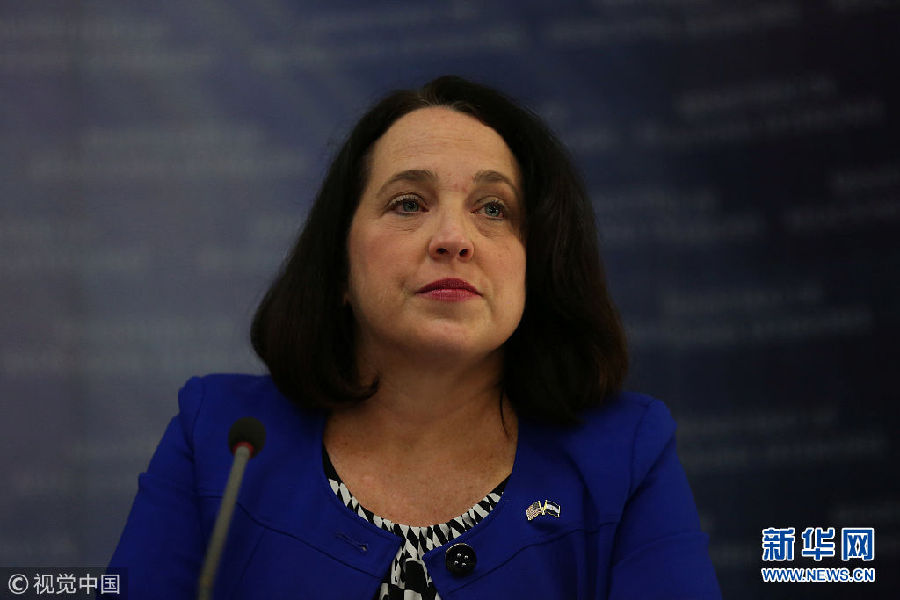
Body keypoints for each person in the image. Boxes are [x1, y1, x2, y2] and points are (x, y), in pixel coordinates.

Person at [109, 75, 721, 599]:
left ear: (534, 267)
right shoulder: (221, 437)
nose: (454, 238)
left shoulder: (624, 455)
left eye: (493, 208)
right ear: (339, 269)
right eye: (408, 203)